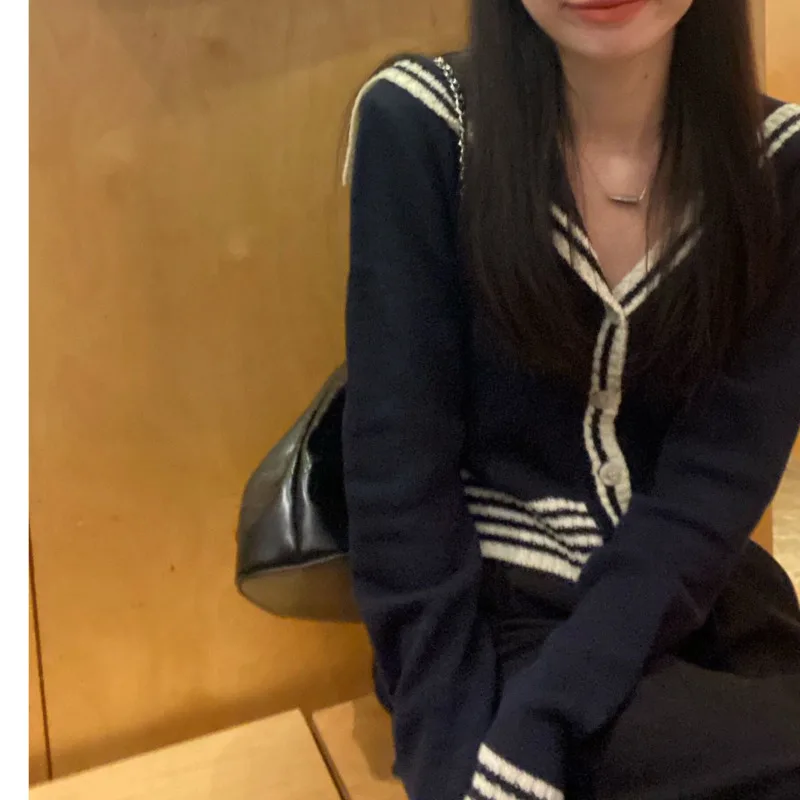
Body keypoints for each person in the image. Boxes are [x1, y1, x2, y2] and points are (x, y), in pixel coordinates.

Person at [341, 1, 800, 798]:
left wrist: (545, 723)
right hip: (493, 625)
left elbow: (719, 479)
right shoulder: (424, 124)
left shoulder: (779, 166)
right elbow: (398, 486)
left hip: (686, 600)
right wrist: (457, 762)